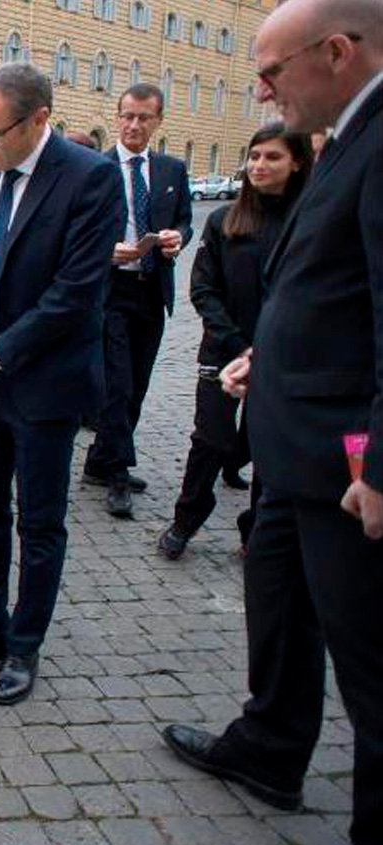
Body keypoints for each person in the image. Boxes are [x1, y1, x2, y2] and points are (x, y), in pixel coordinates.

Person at [161, 1, 383, 845]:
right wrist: (270, 352)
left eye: (273, 69)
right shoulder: (346, 138)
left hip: (351, 467)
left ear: (338, 50)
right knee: (279, 607)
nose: (260, 90)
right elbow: (335, 292)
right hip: (294, 452)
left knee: (370, 658)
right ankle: (271, 744)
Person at [0, 62, 123, 705]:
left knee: (39, 524)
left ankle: (23, 646)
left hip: (42, 384)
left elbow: (75, 294)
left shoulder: (90, 179)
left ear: (39, 120)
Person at [158, 125, 312, 560]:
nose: (260, 166)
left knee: (267, 446)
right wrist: (238, 344)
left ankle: (257, 530)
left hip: (283, 357)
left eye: (273, 157)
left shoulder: (310, 219)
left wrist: (268, 348)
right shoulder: (225, 219)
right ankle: (185, 521)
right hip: (224, 352)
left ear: (296, 162)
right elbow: (204, 289)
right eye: (255, 156)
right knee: (210, 440)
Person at [82, 84, 194, 517]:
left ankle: (98, 460)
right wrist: (105, 249)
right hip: (108, 292)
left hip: (151, 290)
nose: (133, 125)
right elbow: (77, 230)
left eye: (143, 118)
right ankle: (117, 474)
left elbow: (183, 218)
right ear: (117, 116)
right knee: (116, 385)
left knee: (138, 387)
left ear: (157, 122)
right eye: (127, 115)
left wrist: (176, 237)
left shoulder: (172, 170)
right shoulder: (95, 168)